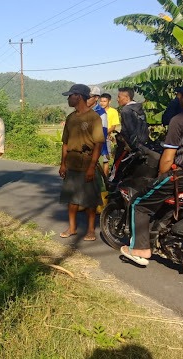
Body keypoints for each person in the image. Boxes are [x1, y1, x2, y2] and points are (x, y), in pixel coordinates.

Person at [121, 78, 183, 265]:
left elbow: (167, 158)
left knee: (138, 203)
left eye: (179, 94)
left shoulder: (180, 119)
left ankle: (140, 249)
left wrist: (160, 177)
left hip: (182, 177)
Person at [59, 84, 105, 241]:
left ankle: (91, 230)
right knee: (71, 199)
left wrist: (92, 167)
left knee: (89, 199)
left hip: (87, 162)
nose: (68, 99)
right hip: (72, 162)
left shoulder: (94, 117)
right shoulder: (70, 118)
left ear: (78, 96)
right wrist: (63, 164)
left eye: (70, 96)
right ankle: (72, 228)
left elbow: (98, 144)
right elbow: (65, 143)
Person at [115, 87, 149, 162]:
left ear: (127, 97)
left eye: (119, 97)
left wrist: (132, 146)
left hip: (129, 147)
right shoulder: (139, 109)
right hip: (143, 145)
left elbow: (130, 130)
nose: (117, 99)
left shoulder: (126, 110)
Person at [88, 86, 110, 176]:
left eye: (89, 97)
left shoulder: (101, 113)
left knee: (97, 179)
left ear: (96, 98)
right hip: (87, 151)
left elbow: (103, 134)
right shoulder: (84, 111)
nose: (86, 100)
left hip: (97, 151)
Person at [99, 93, 120, 164]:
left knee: (106, 160)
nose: (102, 103)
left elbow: (113, 126)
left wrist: (103, 133)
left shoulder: (113, 112)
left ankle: (105, 175)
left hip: (106, 138)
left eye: (104, 101)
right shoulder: (96, 111)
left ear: (109, 101)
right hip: (96, 138)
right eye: (101, 101)